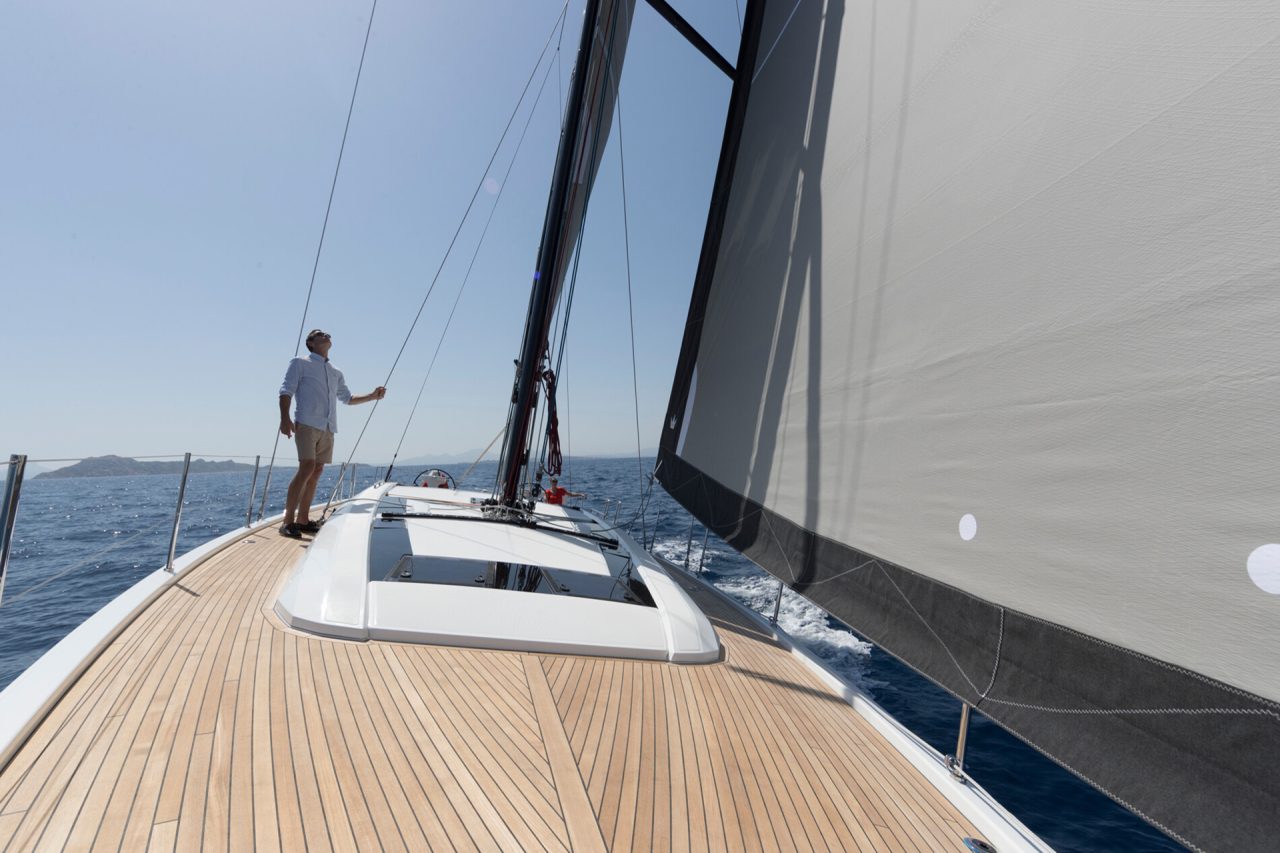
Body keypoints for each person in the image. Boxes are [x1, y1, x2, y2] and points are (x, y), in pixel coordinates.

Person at [277, 329, 386, 537]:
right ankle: (287, 522)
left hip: (328, 427)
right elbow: (286, 390)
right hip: (307, 423)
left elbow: (347, 398)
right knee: (306, 466)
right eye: (319, 333)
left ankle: (303, 520)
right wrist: (285, 418)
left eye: (326, 333)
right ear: (311, 343)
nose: (325, 334)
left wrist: (372, 396)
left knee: (316, 471)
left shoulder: (336, 372)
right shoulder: (299, 363)